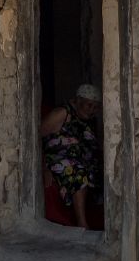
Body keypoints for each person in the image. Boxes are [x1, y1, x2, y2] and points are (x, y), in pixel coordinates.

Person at [41, 83, 103, 228]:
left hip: (81, 160)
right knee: (79, 173)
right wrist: (44, 168)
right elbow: (36, 138)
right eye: (89, 105)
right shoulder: (62, 113)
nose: (92, 110)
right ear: (78, 101)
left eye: (96, 107)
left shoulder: (86, 119)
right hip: (57, 159)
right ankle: (82, 223)